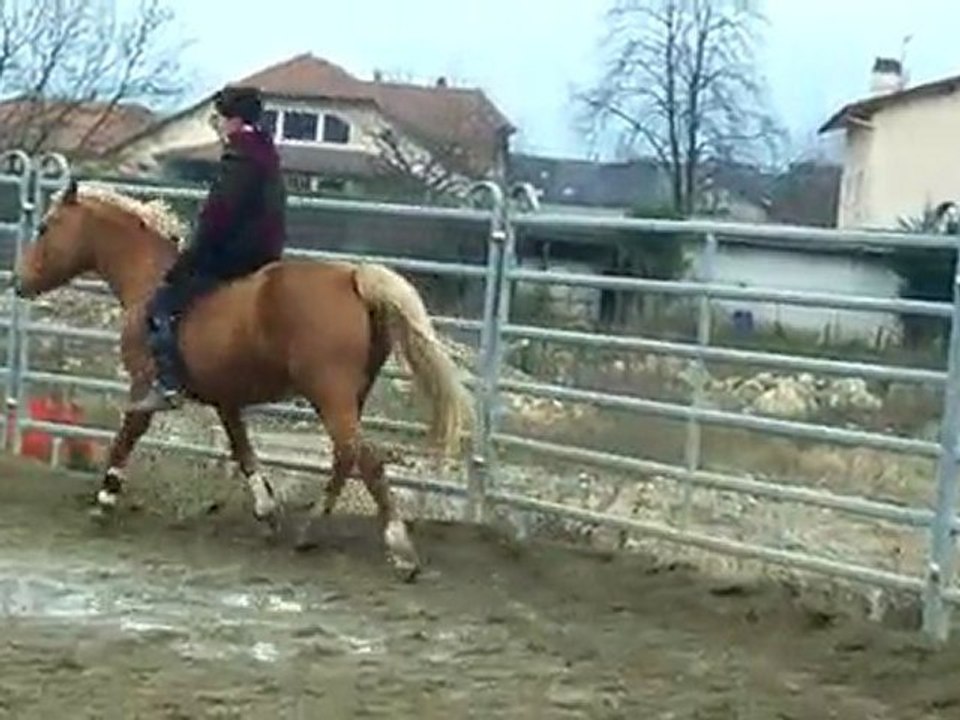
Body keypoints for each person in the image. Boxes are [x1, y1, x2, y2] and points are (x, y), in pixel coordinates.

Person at [128, 84, 287, 413]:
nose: (217, 126)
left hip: (235, 254)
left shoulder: (240, 156)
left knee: (162, 303)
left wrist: (188, 258)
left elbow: (219, 215)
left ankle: (169, 383)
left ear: (232, 119)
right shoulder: (266, 154)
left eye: (219, 118)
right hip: (265, 250)